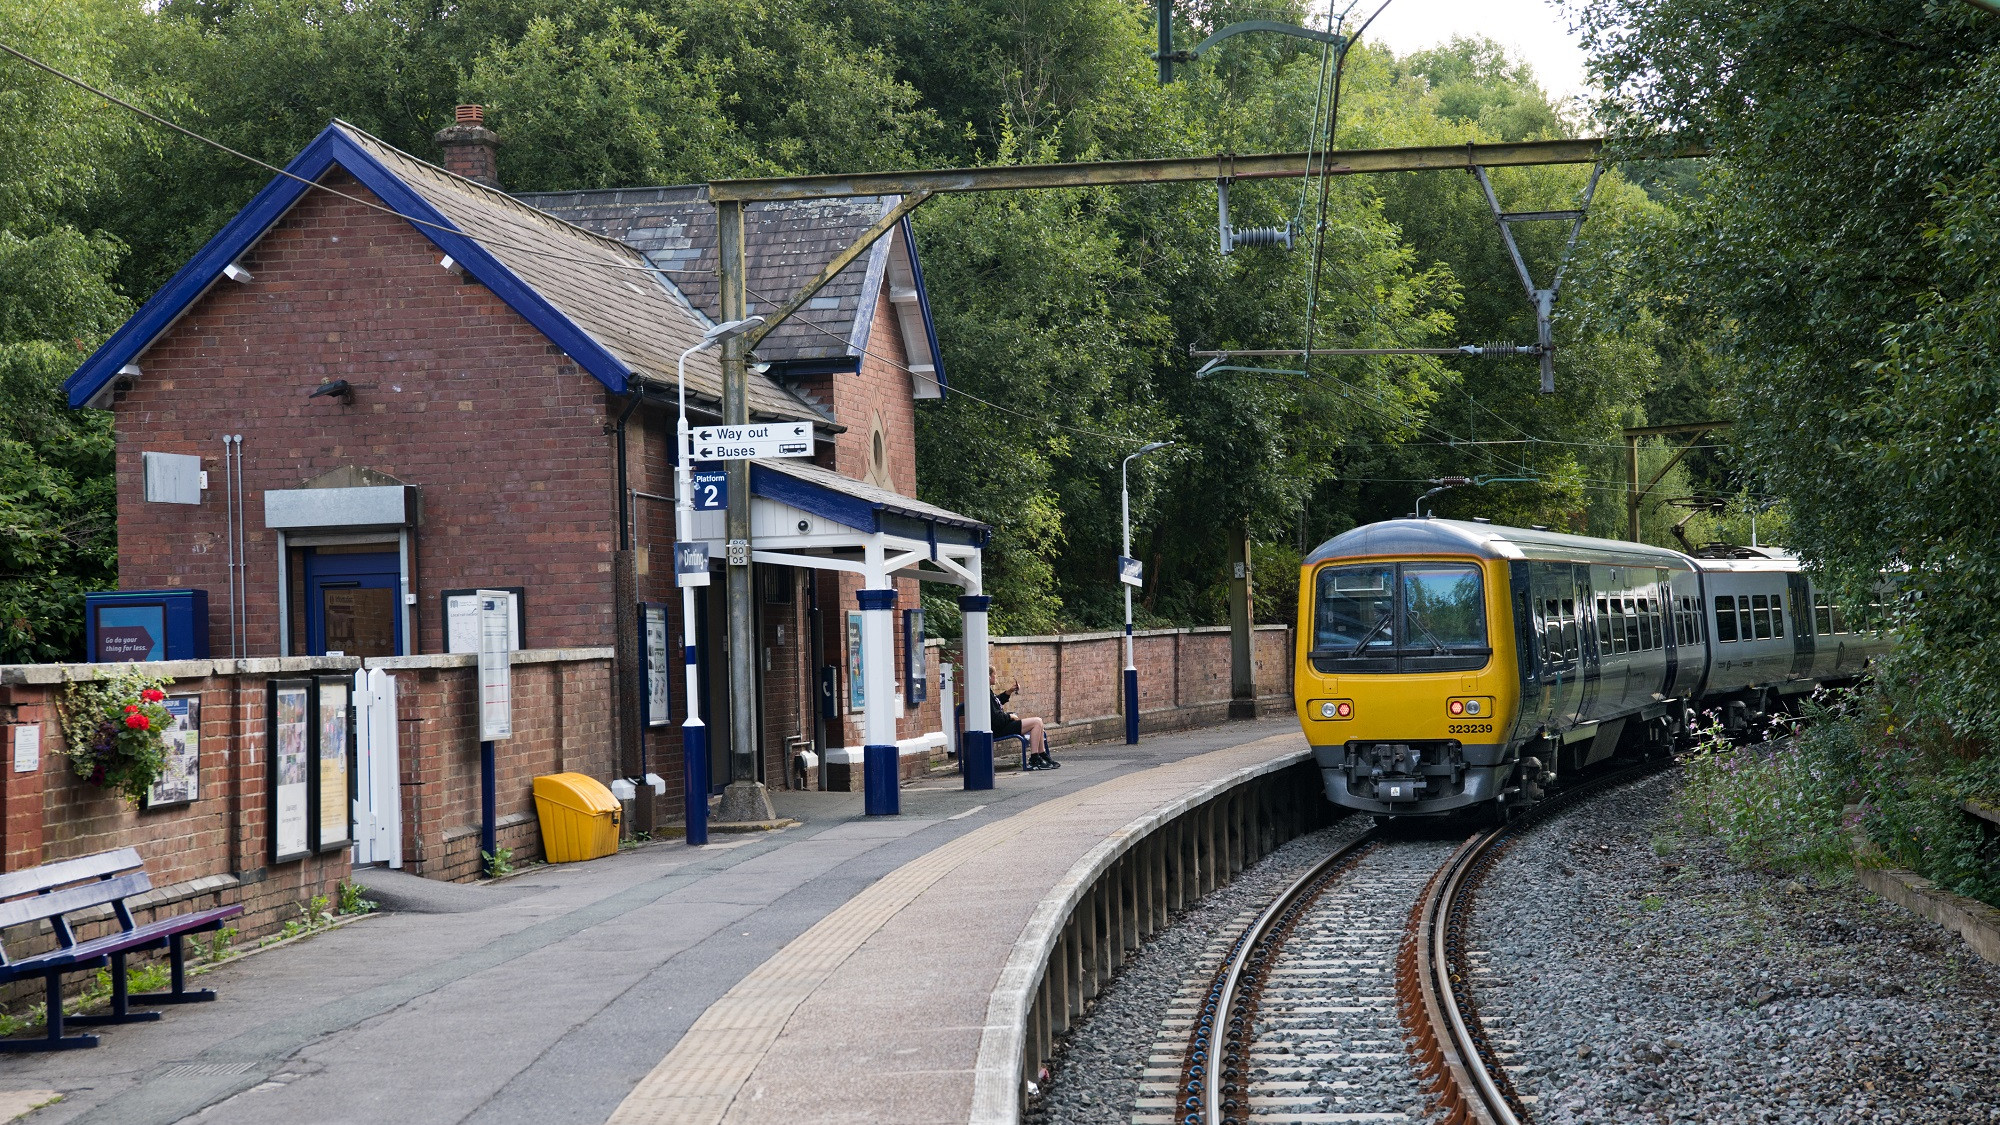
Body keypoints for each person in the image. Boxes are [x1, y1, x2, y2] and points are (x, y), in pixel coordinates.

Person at [992, 678, 1056, 769]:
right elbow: (996, 718)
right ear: (989, 677)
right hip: (999, 729)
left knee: (1039, 723)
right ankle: (1034, 759)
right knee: (1037, 722)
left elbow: (997, 702)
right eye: (994, 674)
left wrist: (1009, 691)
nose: (996, 677)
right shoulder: (986, 695)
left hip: (1003, 725)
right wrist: (1009, 716)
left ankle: (1041, 754)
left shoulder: (989, 693)